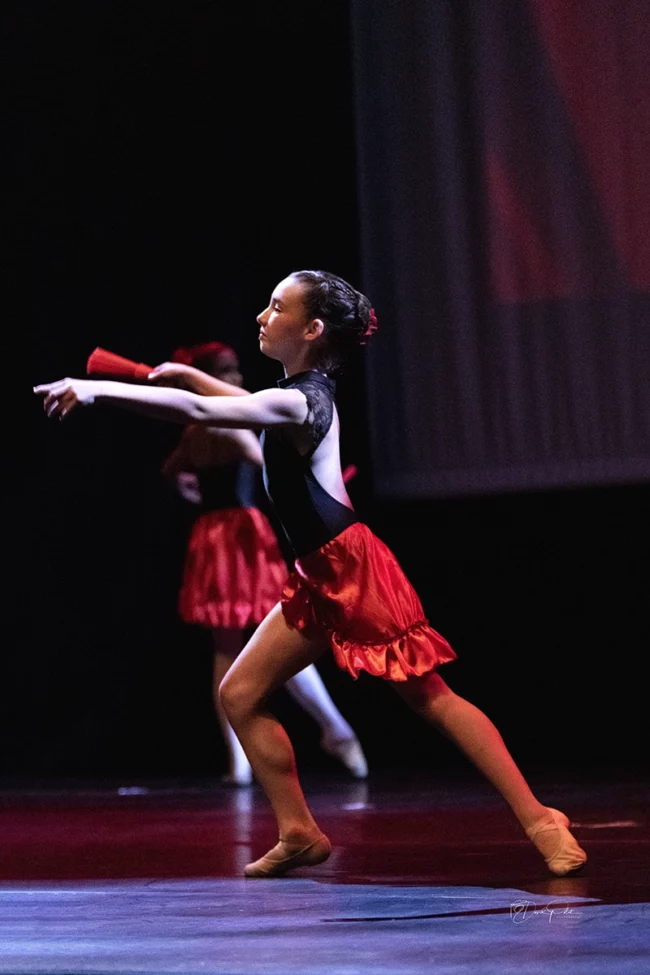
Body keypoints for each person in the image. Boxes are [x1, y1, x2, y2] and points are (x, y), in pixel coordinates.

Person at [35, 269, 588, 880]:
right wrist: (184, 375)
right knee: (240, 695)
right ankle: (299, 832)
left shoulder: (304, 401)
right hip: (313, 576)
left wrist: (94, 391)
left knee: (431, 697)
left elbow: (203, 408)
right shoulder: (295, 392)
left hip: (353, 568)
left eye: (276, 307)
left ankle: (541, 820)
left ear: (313, 328)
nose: (261, 317)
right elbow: (220, 402)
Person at [161, 339, 368, 785]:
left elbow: (174, 467)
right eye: (228, 371)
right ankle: (333, 729)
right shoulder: (229, 424)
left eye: (236, 371)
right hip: (239, 536)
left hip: (211, 537)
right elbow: (267, 459)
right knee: (275, 637)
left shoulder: (192, 433)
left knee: (229, 645)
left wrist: (188, 485)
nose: (236, 379)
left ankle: (240, 761)